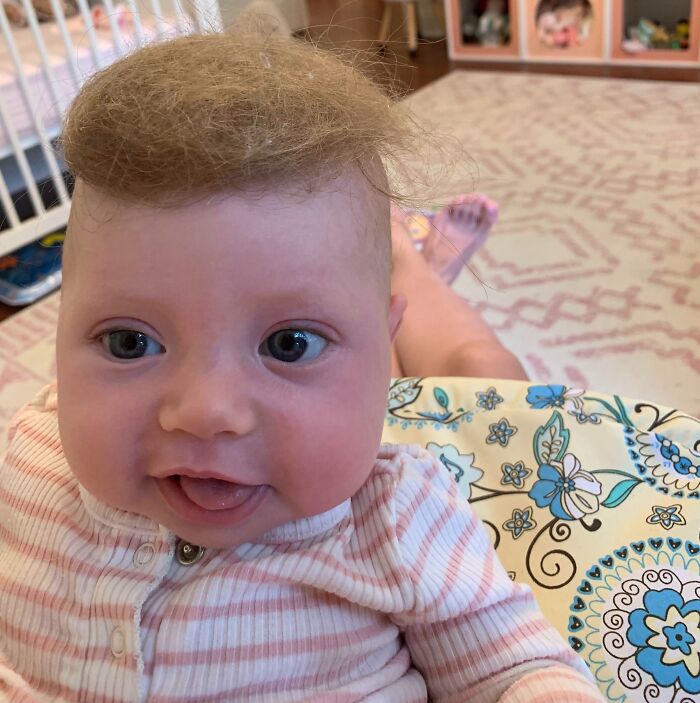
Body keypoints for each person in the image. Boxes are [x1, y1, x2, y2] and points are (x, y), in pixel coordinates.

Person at [0, 31, 604, 702]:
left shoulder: (394, 521)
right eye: (128, 343)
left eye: (288, 344)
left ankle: (412, 271)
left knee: (481, 372)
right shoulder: (29, 459)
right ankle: (402, 275)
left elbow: (511, 669)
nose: (206, 412)